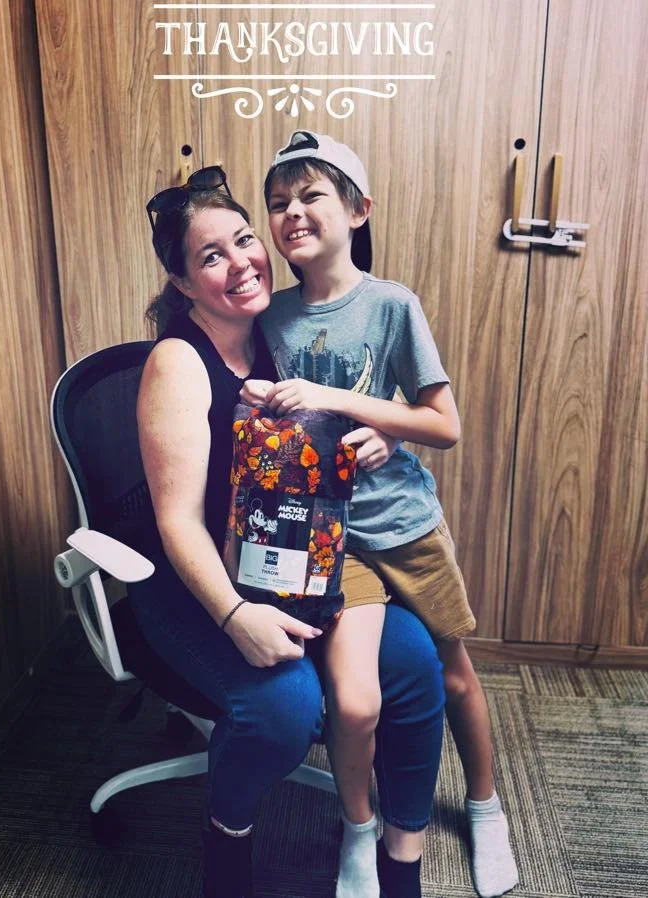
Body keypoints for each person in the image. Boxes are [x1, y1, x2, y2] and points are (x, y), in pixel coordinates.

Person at [129, 167, 446, 898]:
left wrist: (385, 441)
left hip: (292, 571)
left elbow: (359, 416)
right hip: (195, 585)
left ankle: (399, 867)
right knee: (284, 705)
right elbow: (177, 522)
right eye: (211, 256)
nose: (241, 262)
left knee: (413, 664)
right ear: (181, 283)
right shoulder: (179, 362)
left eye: (245, 239)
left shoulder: (279, 337)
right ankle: (227, 842)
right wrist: (235, 616)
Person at [246, 131, 519, 898]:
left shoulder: (393, 305)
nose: (292, 212)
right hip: (335, 546)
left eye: (310, 196)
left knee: (457, 675)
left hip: (406, 527)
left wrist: (380, 419)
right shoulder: (270, 319)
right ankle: (358, 831)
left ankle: (485, 807)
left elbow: (445, 423)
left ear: (358, 210)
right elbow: (275, 425)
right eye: (278, 203)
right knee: (357, 702)